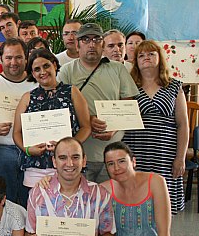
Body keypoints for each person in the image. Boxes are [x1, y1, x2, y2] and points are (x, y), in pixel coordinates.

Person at [57, 23, 139, 183]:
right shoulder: (66, 71)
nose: (91, 44)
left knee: (111, 202)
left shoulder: (118, 69)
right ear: (77, 44)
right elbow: (59, 107)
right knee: (82, 203)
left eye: (96, 39)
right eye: (86, 40)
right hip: (80, 153)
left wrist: (114, 127)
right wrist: (88, 121)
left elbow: (128, 105)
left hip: (113, 152)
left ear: (102, 44)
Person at [13, 48, 91, 192]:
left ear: (54, 65)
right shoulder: (27, 97)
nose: (42, 72)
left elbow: (86, 127)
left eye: (46, 66)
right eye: (37, 69)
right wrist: (28, 150)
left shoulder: (72, 92)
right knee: (36, 211)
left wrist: (68, 148)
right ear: (32, 73)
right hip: (35, 169)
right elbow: (17, 132)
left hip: (68, 166)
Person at [123, 40, 188, 213]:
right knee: (137, 197)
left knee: (164, 200)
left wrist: (180, 157)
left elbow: (183, 125)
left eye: (151, 54)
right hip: (136, 152)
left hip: (164, 154)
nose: (146, 58)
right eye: (141, 55)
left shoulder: (174, 86)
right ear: (135, 60)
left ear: (160, 57)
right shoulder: (129, 86)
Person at [0, 38, 35, 207]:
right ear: (1, 59)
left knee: (30, 203)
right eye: (8, 58)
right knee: (2, 203)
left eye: (18, 57)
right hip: (0, 152)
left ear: (26, 58)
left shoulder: (37, 84)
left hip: (31, 154)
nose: (13, 63)